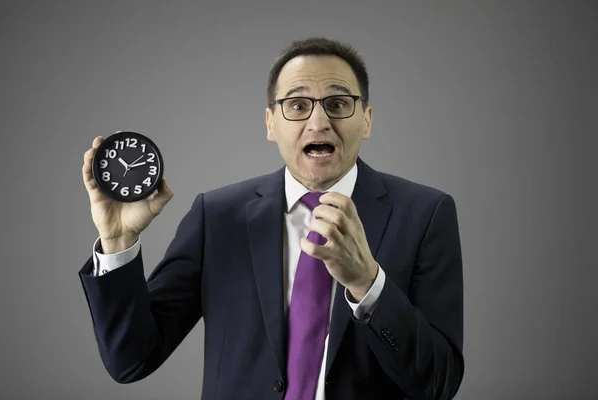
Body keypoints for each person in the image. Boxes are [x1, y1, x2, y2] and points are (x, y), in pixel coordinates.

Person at [79, 37, 464, 400]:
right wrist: (117, 241)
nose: (318, 123)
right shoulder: (217, 217)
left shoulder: (426, 214)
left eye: (338, 103)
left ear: (366, 119)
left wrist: (367, 283)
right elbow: (131, 360)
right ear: (270, 123)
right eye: (298, 106)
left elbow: (438, 383)